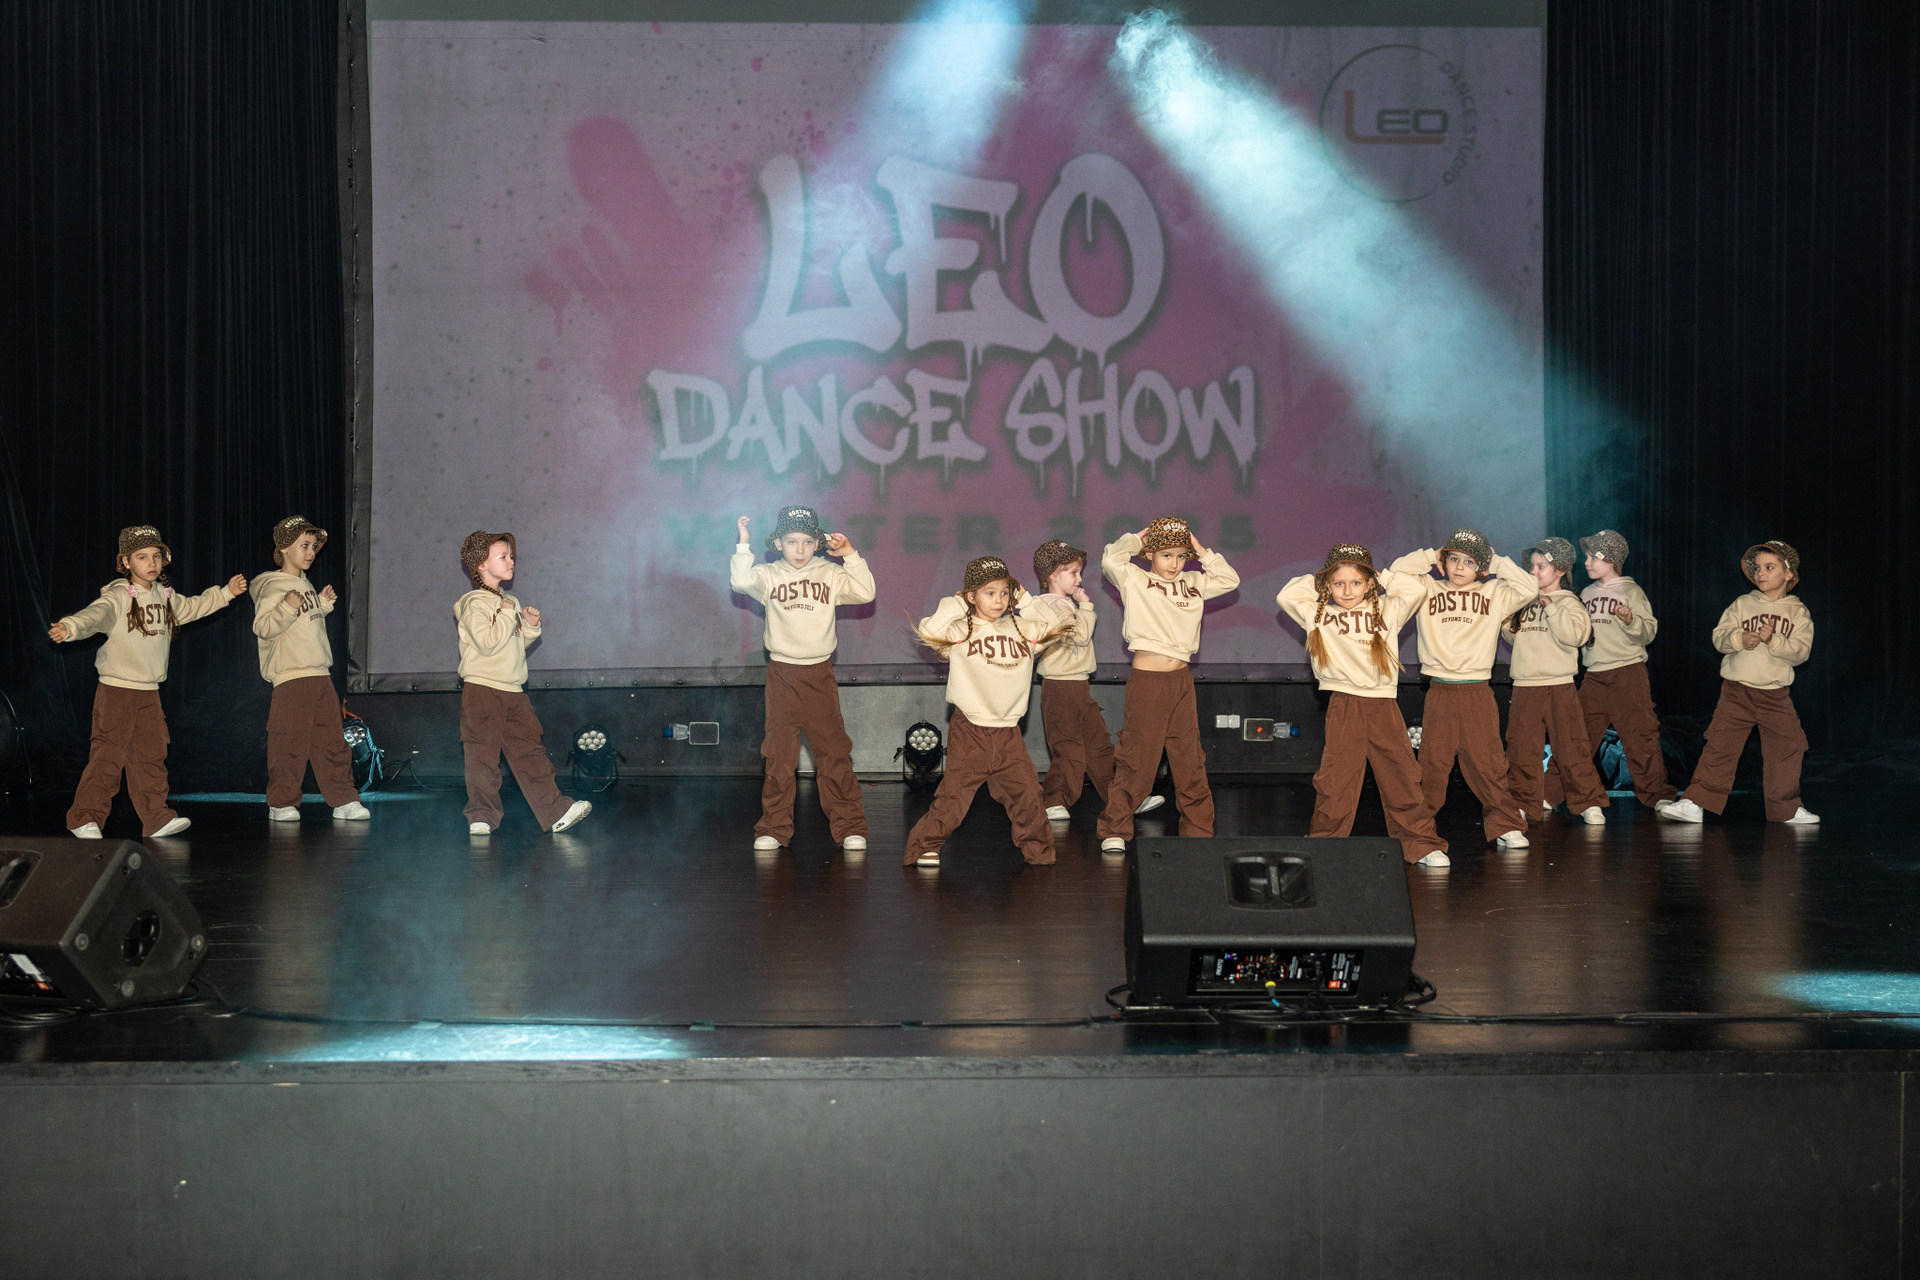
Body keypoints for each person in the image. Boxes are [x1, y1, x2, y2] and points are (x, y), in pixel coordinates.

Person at [49, 524, 246, 840]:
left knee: (151, 755)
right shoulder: (118, 596)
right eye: (142, 557)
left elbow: (193, 607)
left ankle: (156, 819)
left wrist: (225, 593)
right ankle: (84, 818)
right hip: (117, 691)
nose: (151, 563)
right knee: (108, 756)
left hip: (149, 693)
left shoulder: (165, 597)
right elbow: (95, 616)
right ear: (126, 562)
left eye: (156, 556)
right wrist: (70, 627)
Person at [1279, 543, 1450, 867]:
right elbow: (1286, 595)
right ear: (1328, 586)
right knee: (1336, 781)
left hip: (1383, 705)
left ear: (1370, 583)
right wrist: (1321, 580)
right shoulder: (1320, 614)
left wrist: (1385, 574)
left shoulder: (1388, 609)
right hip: (1344, 706)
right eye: (1338, 583)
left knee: (1402, 777)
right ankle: (1325, 845)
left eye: (1356, 582)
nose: (1347, 591)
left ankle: (1420, 843)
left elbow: (1414, 589)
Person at [903, 556, 1069, 868]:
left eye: (1005, 592)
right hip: (971, 731)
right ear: (972, 596)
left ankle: (1039, 852)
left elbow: (1057, 626)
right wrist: (956, 603)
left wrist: (1027, 601)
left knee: (1028, 795)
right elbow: (928, 629)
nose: (999, 600)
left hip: (1009, 734)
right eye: (989, 592)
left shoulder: (1022, 629)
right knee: (954, 797)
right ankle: (926, 847)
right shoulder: (959, 631)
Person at [730, 506, 874, 853]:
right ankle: (774, 828)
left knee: (833, 752)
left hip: (818, 675)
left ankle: (850, 826)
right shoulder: (768, 575)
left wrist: (851, 555)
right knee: (779, 755)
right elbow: (740, 581)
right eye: (792, 541)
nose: (799, 549)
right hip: (782, 675)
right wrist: (743, 544)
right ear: (778, 543)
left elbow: (865, 592)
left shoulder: (829, 573)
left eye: (808, 542)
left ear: (818, 544)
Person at [1095, 517, 1240, 854]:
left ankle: (1199, 830)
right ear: (1150, 555)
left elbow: (1230, 579)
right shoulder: (1134, 578)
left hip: (1181, 682)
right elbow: (1110, 561)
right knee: (1137, 757)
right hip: (1149, 682)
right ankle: (1115, 827)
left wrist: (1201, 551)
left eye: (1180, 556)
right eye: (1166, 555)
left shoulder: (1195, 581)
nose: (1174, 564)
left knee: (1189, 757)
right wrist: (1135, 540)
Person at [1390, 530, 1538, 849]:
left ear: (1480, 567)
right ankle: (1419, 829)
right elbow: (1396, 573)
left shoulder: (1494, 592)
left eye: (1469, 562)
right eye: (1453, 559)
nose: (1459, 567)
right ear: (1444, 562)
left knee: (1489, 762)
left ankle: (1506, 823)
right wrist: (1430, 555)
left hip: (1477, 691)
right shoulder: (1426, 589)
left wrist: (1496, 562)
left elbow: (1529, 587)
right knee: (1433, 764)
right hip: (1440, 691)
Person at [1662, 541, 1818, 825]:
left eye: (1769, 567)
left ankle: (1785, 809)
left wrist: (1774, 640)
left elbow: (1801, 652)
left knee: (1788, 746)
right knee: (1721, 744)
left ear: (1787, 574)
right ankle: (1695, 802)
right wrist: (1739, 639)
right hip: (1737, 691)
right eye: (1757, 568)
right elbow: (1719, 637)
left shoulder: (1798, 612)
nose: (1761, 573)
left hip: (1775, 695)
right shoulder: (1743, 604)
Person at [455, 530, 591, 836]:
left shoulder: (510, 601)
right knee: (482, 756)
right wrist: (506, 616)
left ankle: (555, 811)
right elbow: (487, 643)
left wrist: (529, 627)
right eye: (502, 556)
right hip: (483, 689)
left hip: (513, 691)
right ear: (481, 564)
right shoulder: (473, 603)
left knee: (530, 752)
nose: (511, 561)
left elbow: (512, 645)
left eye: (512, 556)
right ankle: (481, 816)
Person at [1026, 538, 1164, 822]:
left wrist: (1080, 607)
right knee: (1068, 746)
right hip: (1060, 685)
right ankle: (1054, 800)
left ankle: (1124, 799)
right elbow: (1079, 636)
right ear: (1052, 575)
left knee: (1099, 746)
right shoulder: (1044, 605)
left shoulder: (1065, 604)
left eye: (1079, 572)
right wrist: (1086, 607)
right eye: (1073, 572)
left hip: (1078, 685)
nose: (1079, 578)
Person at [250, 515, 368, 824]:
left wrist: (322, 606)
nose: (311, 552)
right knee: (288, 742)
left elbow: (303, 628)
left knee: (332, 742)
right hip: (292, 677)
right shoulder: (271, 586)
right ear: (283, 548)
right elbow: (263, 627)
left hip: (320, 676)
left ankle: (344, 799)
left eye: (314, 546)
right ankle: (281, 803)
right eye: (304, 545)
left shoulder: (304, 584)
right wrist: (287, 607)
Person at [1503, 536, 1608, 826]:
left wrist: (1550, 607)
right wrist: (1507, 618)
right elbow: (1513, 637)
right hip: (1525, 685)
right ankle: (1523, 801)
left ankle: (1588, 801)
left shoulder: (1571, 603)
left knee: (1572, 746)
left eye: (1541, 566)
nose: (1533, 572)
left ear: (1560, 570)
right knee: (1522, 748)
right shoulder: (1525, 602)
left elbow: (1575, 636)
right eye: (1532, 566)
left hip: (1559, 685)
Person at [1577, 530, 1681, 816]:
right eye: (1586, 557)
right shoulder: (1585, 594)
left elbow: (1648, 633)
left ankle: (1657, 794)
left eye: (1593, 557)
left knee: (1640, 736)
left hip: (1627, 673)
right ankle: (1556, 791)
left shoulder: (1631, 592)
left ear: (1612, 560)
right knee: (1578, 737)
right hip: (1594, 676)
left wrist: (1630, 620)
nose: (1587, 562)